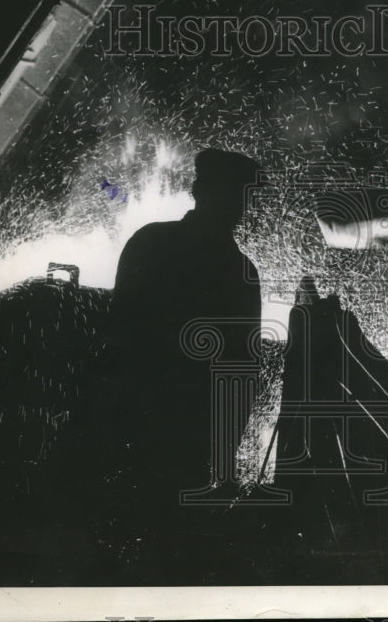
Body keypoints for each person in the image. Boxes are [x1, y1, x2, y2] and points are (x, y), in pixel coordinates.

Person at [101, 149, 264, 506]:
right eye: (241, 195)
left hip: (128, 425)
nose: (243, 206)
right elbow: (241, 371)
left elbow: (116, 336)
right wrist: (223, 465)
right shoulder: (240, 272)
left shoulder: (147, 242)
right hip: (189, 435)